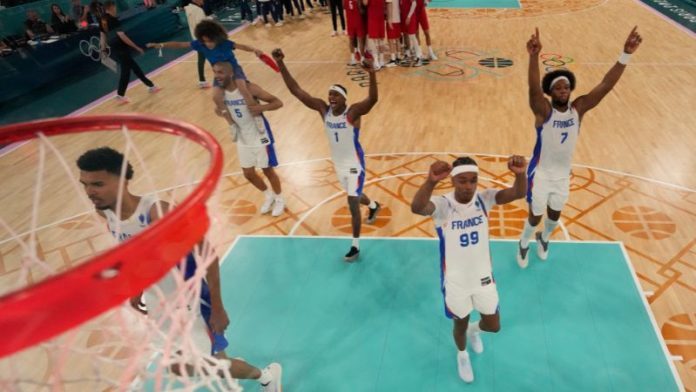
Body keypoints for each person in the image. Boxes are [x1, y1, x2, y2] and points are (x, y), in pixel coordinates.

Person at [76, 147, 282, 391]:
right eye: (85, 184)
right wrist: (137, 288)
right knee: (182, 363)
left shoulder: (158, 213)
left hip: (191, 299)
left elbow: (208, 255)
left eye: (97, 184)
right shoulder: (104, 212)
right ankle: (231, 364)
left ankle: (265, 376)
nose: (90, 192)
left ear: (123, 180)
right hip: (159, 299)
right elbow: (134, 253)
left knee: (203, 363)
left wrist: (217, 307)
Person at [516, 26, 643, 268]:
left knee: (554, 215)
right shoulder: (544, 111)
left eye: (566, 87)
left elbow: (605, 85)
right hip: (540, 174)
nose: (563, 90)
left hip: (562, 175)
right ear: (550, 92)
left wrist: (625, 55)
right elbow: (533, 90)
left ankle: (544, 238)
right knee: (536, 215)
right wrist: (533, 57)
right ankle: (523, 241)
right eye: (558, 88)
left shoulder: (579, 108)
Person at [410, 156, 527, 383]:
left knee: (493, 326)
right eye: (462, 180)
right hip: (456, 281)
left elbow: (518, 193)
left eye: (473, 180)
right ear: (453, 180)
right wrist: (431, 181)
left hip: (483, 278)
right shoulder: (443, 205)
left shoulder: (485, 199)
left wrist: (520, 174)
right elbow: (417, 207)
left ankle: (475, 331)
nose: (468, 186)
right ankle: (462, 355)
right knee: (459, 324)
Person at [273, 48, 381, 261]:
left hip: (354, 165)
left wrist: (372, 74)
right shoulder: (323, 110)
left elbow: (373, 100)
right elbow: (296, 90)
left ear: (344, 99)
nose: (330, 97)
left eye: (335, 95)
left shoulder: (353, 112)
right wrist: (280, 63)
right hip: (339, 165)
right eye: (329, 94)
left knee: (351, 201)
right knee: (357, 196)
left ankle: (355, 246)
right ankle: (374, 205)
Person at [147, 20, 265, 124]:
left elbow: (242, 46)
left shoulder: (224, 43)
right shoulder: (200, 44)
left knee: (243, 89)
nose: (208, 43)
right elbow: (180, 44)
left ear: (216, 37)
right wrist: (161, 44)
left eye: (210, 41)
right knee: (216, 97)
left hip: (234, 70)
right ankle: (231, 123)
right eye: (205, 41)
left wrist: (255, 49)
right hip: (219, 74)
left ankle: (257, 116)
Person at [213, 62, 287, 217]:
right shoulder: (220, 94)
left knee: (267, 170)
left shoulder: (249, 88)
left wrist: (262, 108)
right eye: (215, 73)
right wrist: (220, 112)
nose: (217, 76)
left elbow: (278, 102)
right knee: (248, 173)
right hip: (242, 136)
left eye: (220, 72)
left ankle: (280, 199)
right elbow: (218, 110)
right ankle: (268, 195)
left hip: (260, 135)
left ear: (230, 73)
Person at [100, 1, 160, 104]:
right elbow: (122, 36)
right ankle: (120, 95)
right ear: (110, 7)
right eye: (114, 7)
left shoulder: (102, 20)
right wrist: (136, 47)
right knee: (126, 72)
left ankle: (151, 86)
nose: (116, 9)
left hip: (115, 49)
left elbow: (102, 36)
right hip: (121, 49)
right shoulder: (113, 20)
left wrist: (103, 50)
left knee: (134, 68)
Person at [184, 0, 211, 88]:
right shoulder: (198, 10)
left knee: (201, 60)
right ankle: (223, 78)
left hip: (196, 39)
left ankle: (202, 81)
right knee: (215, 58)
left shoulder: (188, 9)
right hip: (203, 39)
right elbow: (202, 27)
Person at [344, 0, 365, 65]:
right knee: (353, 40)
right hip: (353, 22)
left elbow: (362, 11)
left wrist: (359, 6)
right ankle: (356, 59)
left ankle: (361, 59)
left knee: (357, 40)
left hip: (355, 21)